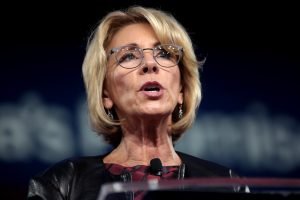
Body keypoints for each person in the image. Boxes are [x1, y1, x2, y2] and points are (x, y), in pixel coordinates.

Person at [27, 6, 247, 200]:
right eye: (128, 56)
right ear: (106, 93)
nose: (150, 64)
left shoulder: (226, 185)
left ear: (181, 89)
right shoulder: (63, 184)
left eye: (164, 53)